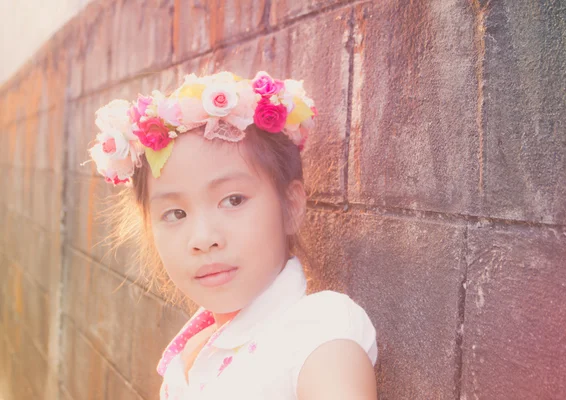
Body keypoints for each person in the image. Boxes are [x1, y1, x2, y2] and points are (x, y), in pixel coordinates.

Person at [84, 70, 378, 399]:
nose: (203, 238)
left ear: (291, 206)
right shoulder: (193, 348)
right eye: (175, 214)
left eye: (233, 200)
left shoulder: (317, 334)